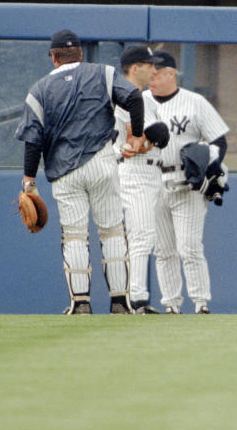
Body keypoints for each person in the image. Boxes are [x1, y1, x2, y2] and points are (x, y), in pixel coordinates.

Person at [15, 29, 144, 314]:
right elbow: (134, 97)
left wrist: (29, 178)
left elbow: (32, 138)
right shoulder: (104, 73)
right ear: (81, 53)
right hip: (102, 162)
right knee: (112, 231)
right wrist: (136, 135)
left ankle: (81, 303)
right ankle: (120, 301)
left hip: (64, 170)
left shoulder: (39, 89)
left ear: (53, 57)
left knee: (74, 235)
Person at [149, 50, 230, 314]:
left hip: (187, 180)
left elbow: (219, 140)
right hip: (152, 180)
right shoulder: (139, 102)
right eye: (149, 71)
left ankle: (200, 302)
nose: (152, 76)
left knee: (190, 247)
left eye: (157, 72)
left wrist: (209, 169)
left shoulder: (194, 102)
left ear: (172, 73)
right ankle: (171, 304)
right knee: (163, 250)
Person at [113, 44, 171, 314]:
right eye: (149, 66)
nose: (154, 70)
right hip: (133, 170)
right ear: (135, 68)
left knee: (151, 238)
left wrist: (152, 138)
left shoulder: (146, 98)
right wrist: (150, 138)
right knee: (140, 235)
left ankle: (137, 297)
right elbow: (133, 144)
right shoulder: (121, 97)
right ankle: (135, 298)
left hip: (153, 171)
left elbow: (152, 138)